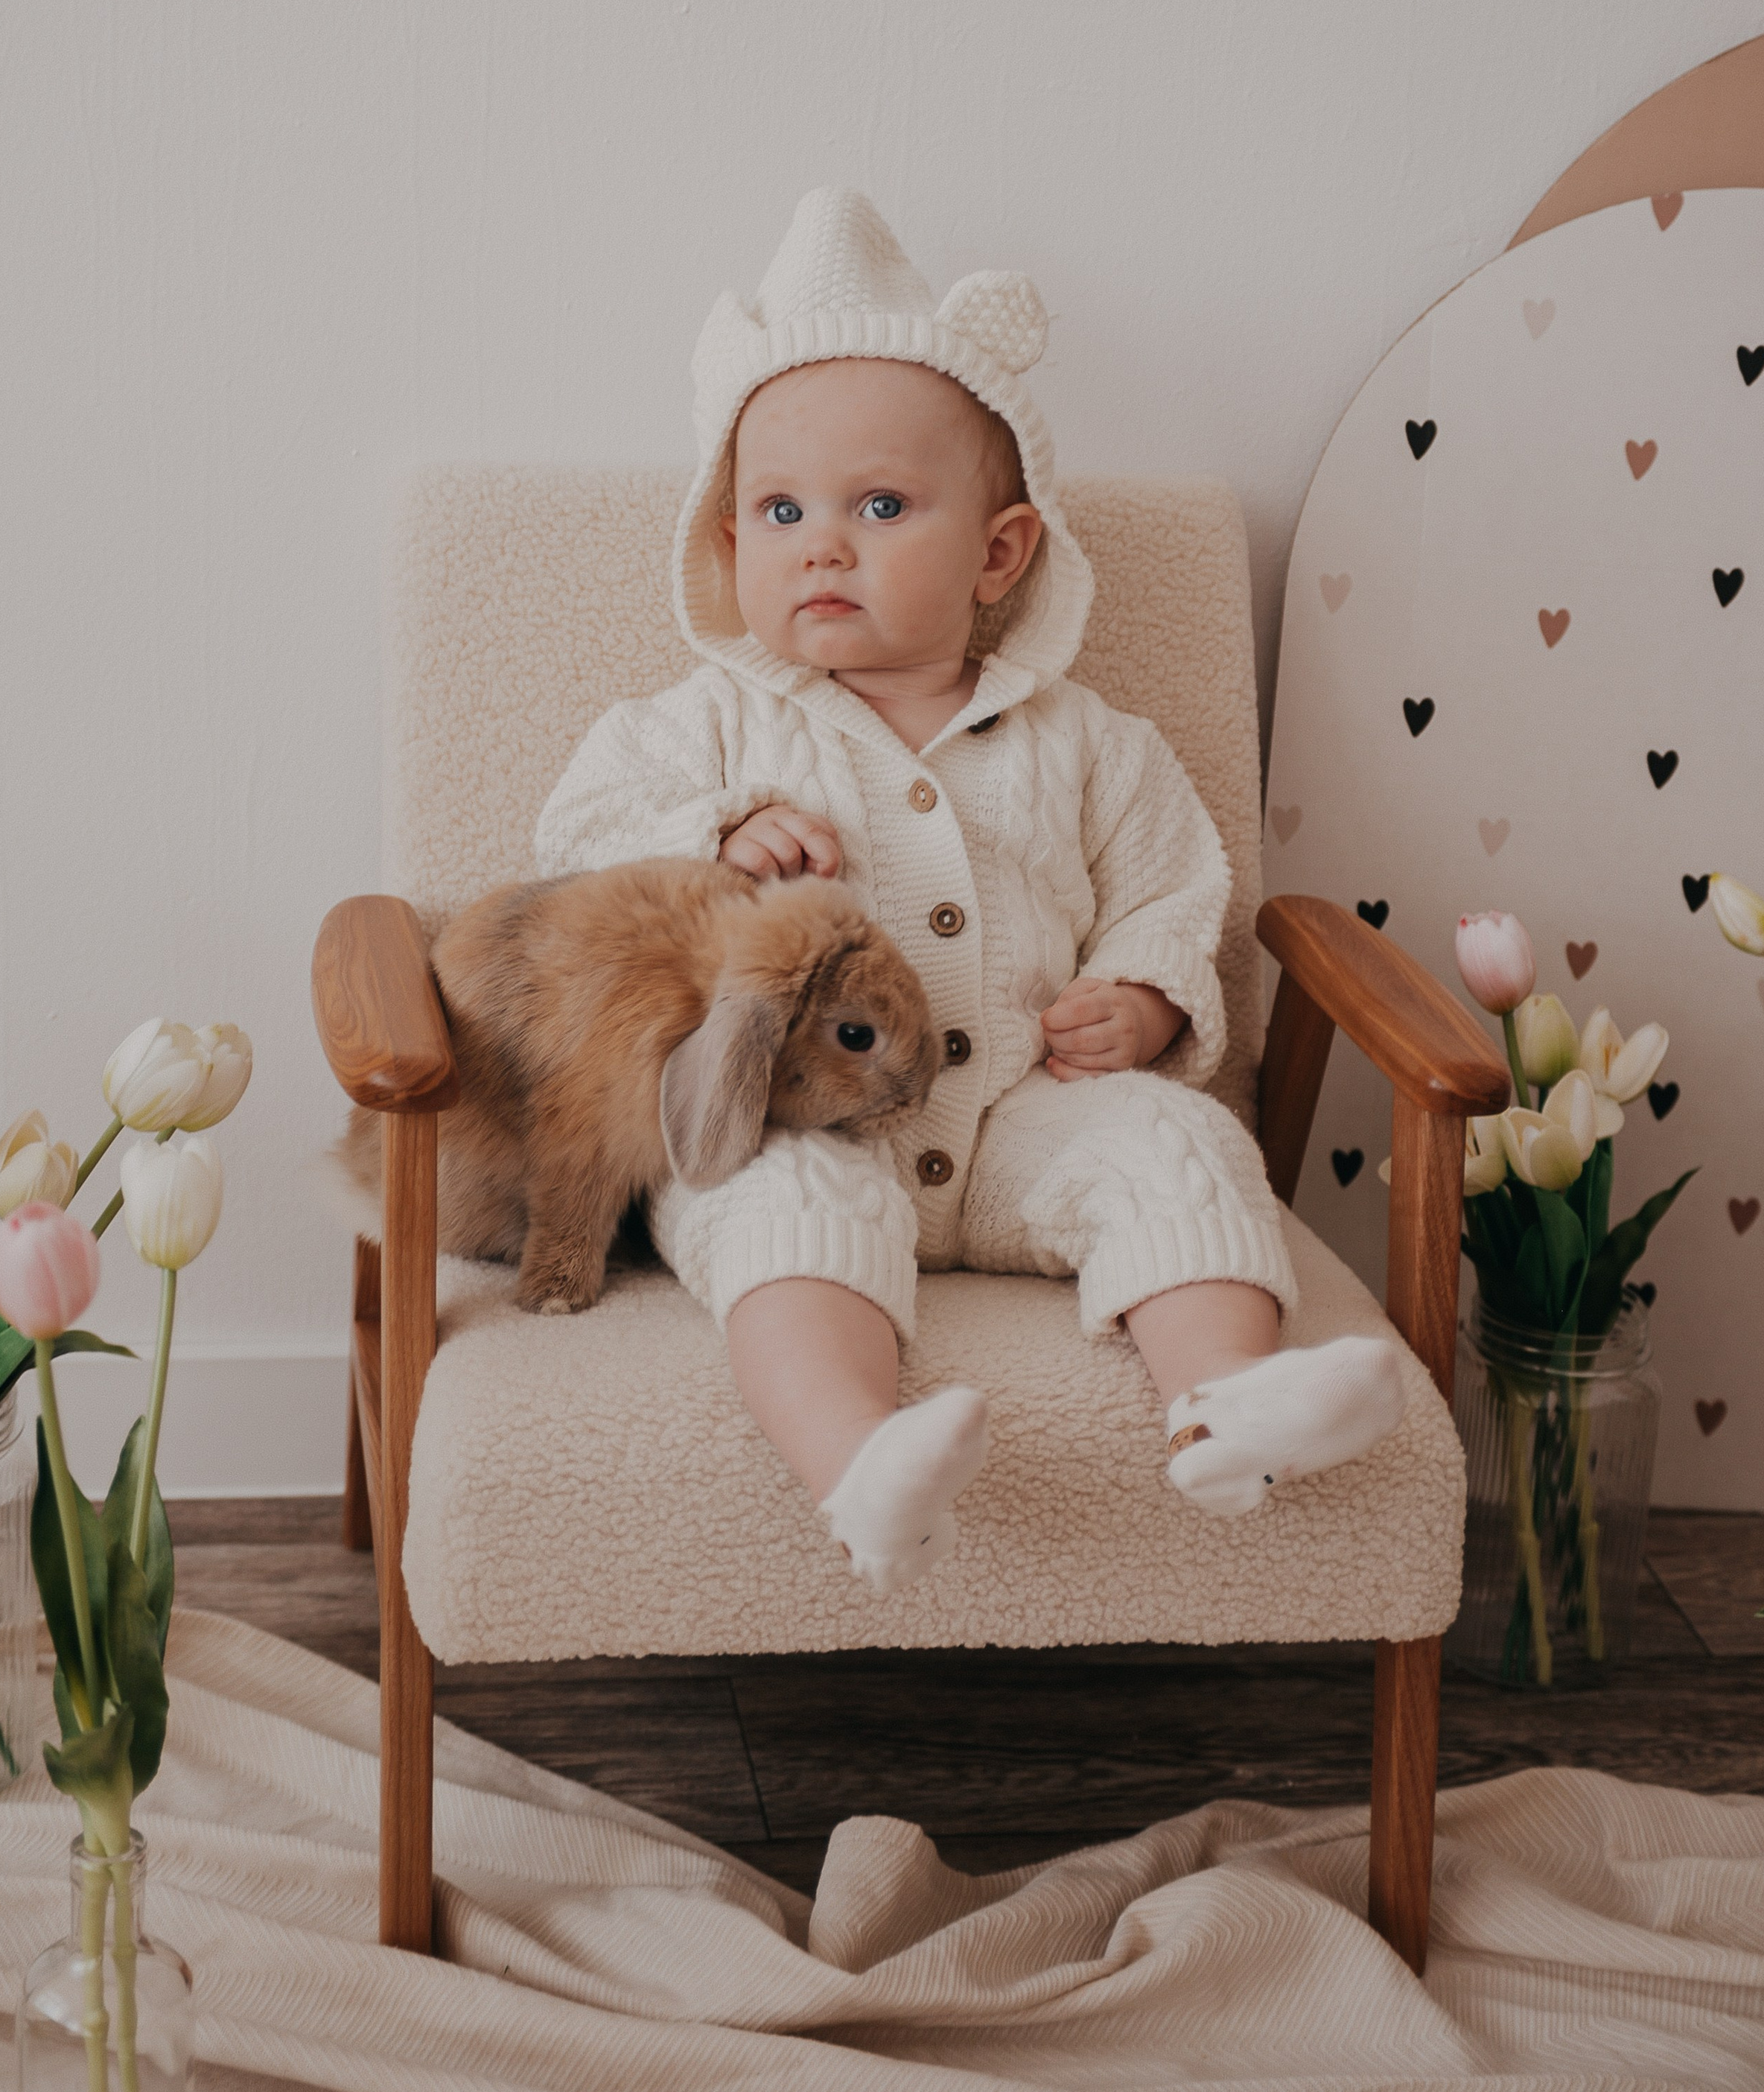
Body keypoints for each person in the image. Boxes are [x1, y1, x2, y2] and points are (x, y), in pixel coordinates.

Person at [535, 189, 1404, 1589]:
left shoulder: (1086, 741)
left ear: (1000, 552)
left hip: (1022, 1118)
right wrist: (715, 835)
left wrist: (1145, 1001)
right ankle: (860, 1463)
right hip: (796, 1117)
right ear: (732, 546)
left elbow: (1174, 887)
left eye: (880, 506)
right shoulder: (711, 725)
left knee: (1177, 1148)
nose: (824, 542)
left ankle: (1228, 1403)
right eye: (780, 510)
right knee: (773, 1214)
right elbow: (576, 846)